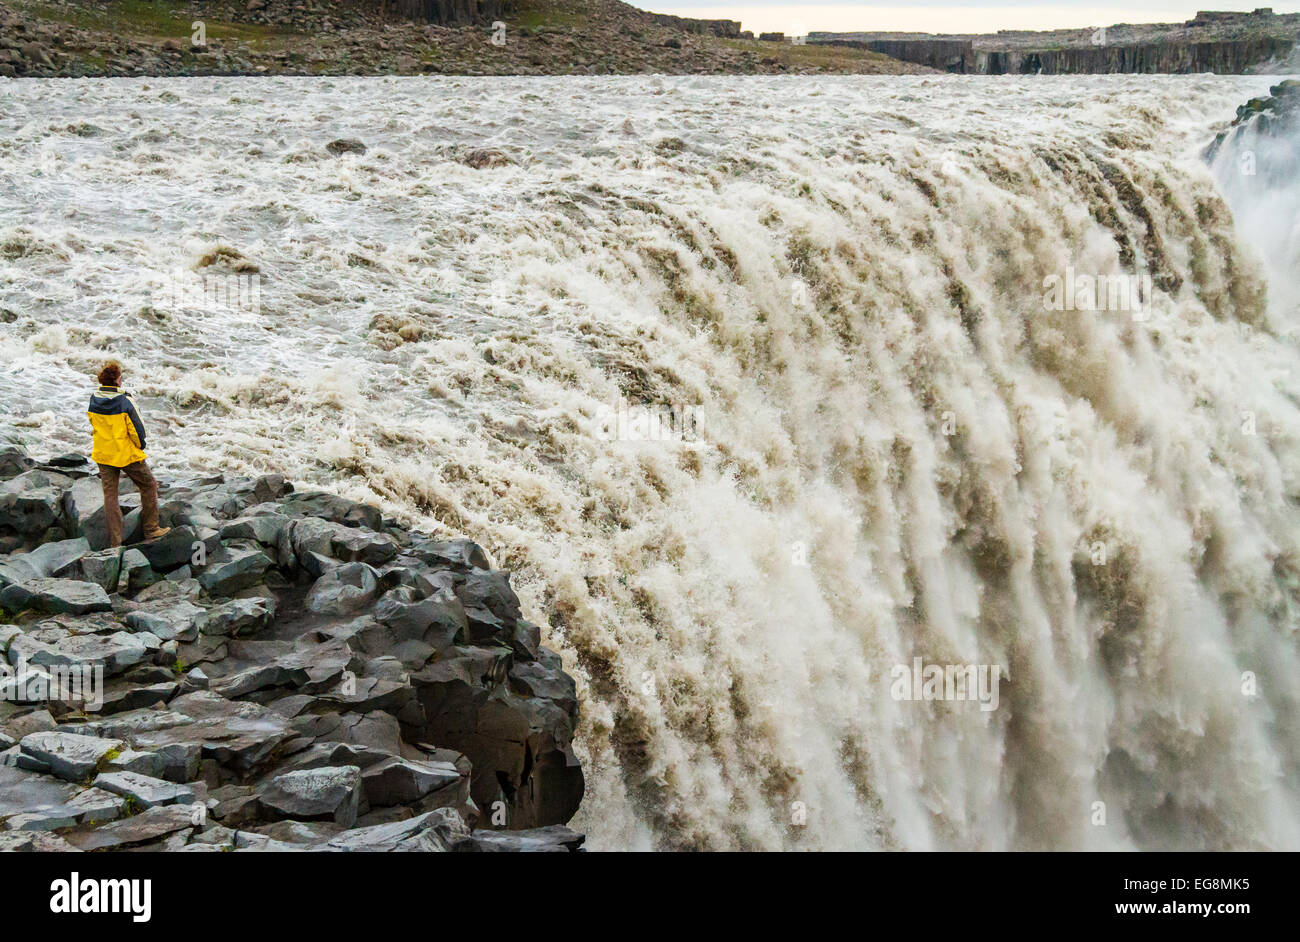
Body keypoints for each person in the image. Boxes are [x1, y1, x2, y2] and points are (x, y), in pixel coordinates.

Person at [87, 361, 170, 547]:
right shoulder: (125, 401)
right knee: (149, 485)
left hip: (103, 453)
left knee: (110, 496)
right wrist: (141, 446)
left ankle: (115, 544)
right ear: (117, 380)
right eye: (120, 376)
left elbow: (93, 423)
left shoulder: (93, 399)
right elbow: (137, 430)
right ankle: (151, 528)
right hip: (125, 453)